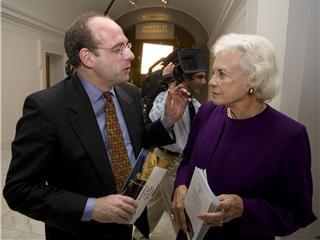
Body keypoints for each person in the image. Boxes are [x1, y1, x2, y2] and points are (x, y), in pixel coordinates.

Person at [3, 11, 190, 240]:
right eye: (118, 48)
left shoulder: (129, 93)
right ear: (87, 57)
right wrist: (92, 208)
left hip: (127, 223)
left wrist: (168, 120)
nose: (131, 55)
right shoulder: (46, 108)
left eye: (127, 45)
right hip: (80, 232)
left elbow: (136, 141)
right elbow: (19, 191)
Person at [171, 33, 317, 240]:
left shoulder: (289, 136)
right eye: (213, 73)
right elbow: (187, 162)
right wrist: (181, 185)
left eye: (222, 74)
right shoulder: (208, 112)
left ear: (254, 78)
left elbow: (295, 213)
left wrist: (244, 208)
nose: (211, 82)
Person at [146, 51, 207, 236]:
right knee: (180, 212)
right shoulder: (165, 98)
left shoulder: (195, 104)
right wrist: (170, 87)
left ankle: (139, 233)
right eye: (199, 77)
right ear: (185, 77)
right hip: (166, 161)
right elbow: (156, 119)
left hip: (181, 162)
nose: (204, 81)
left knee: (153, 204)